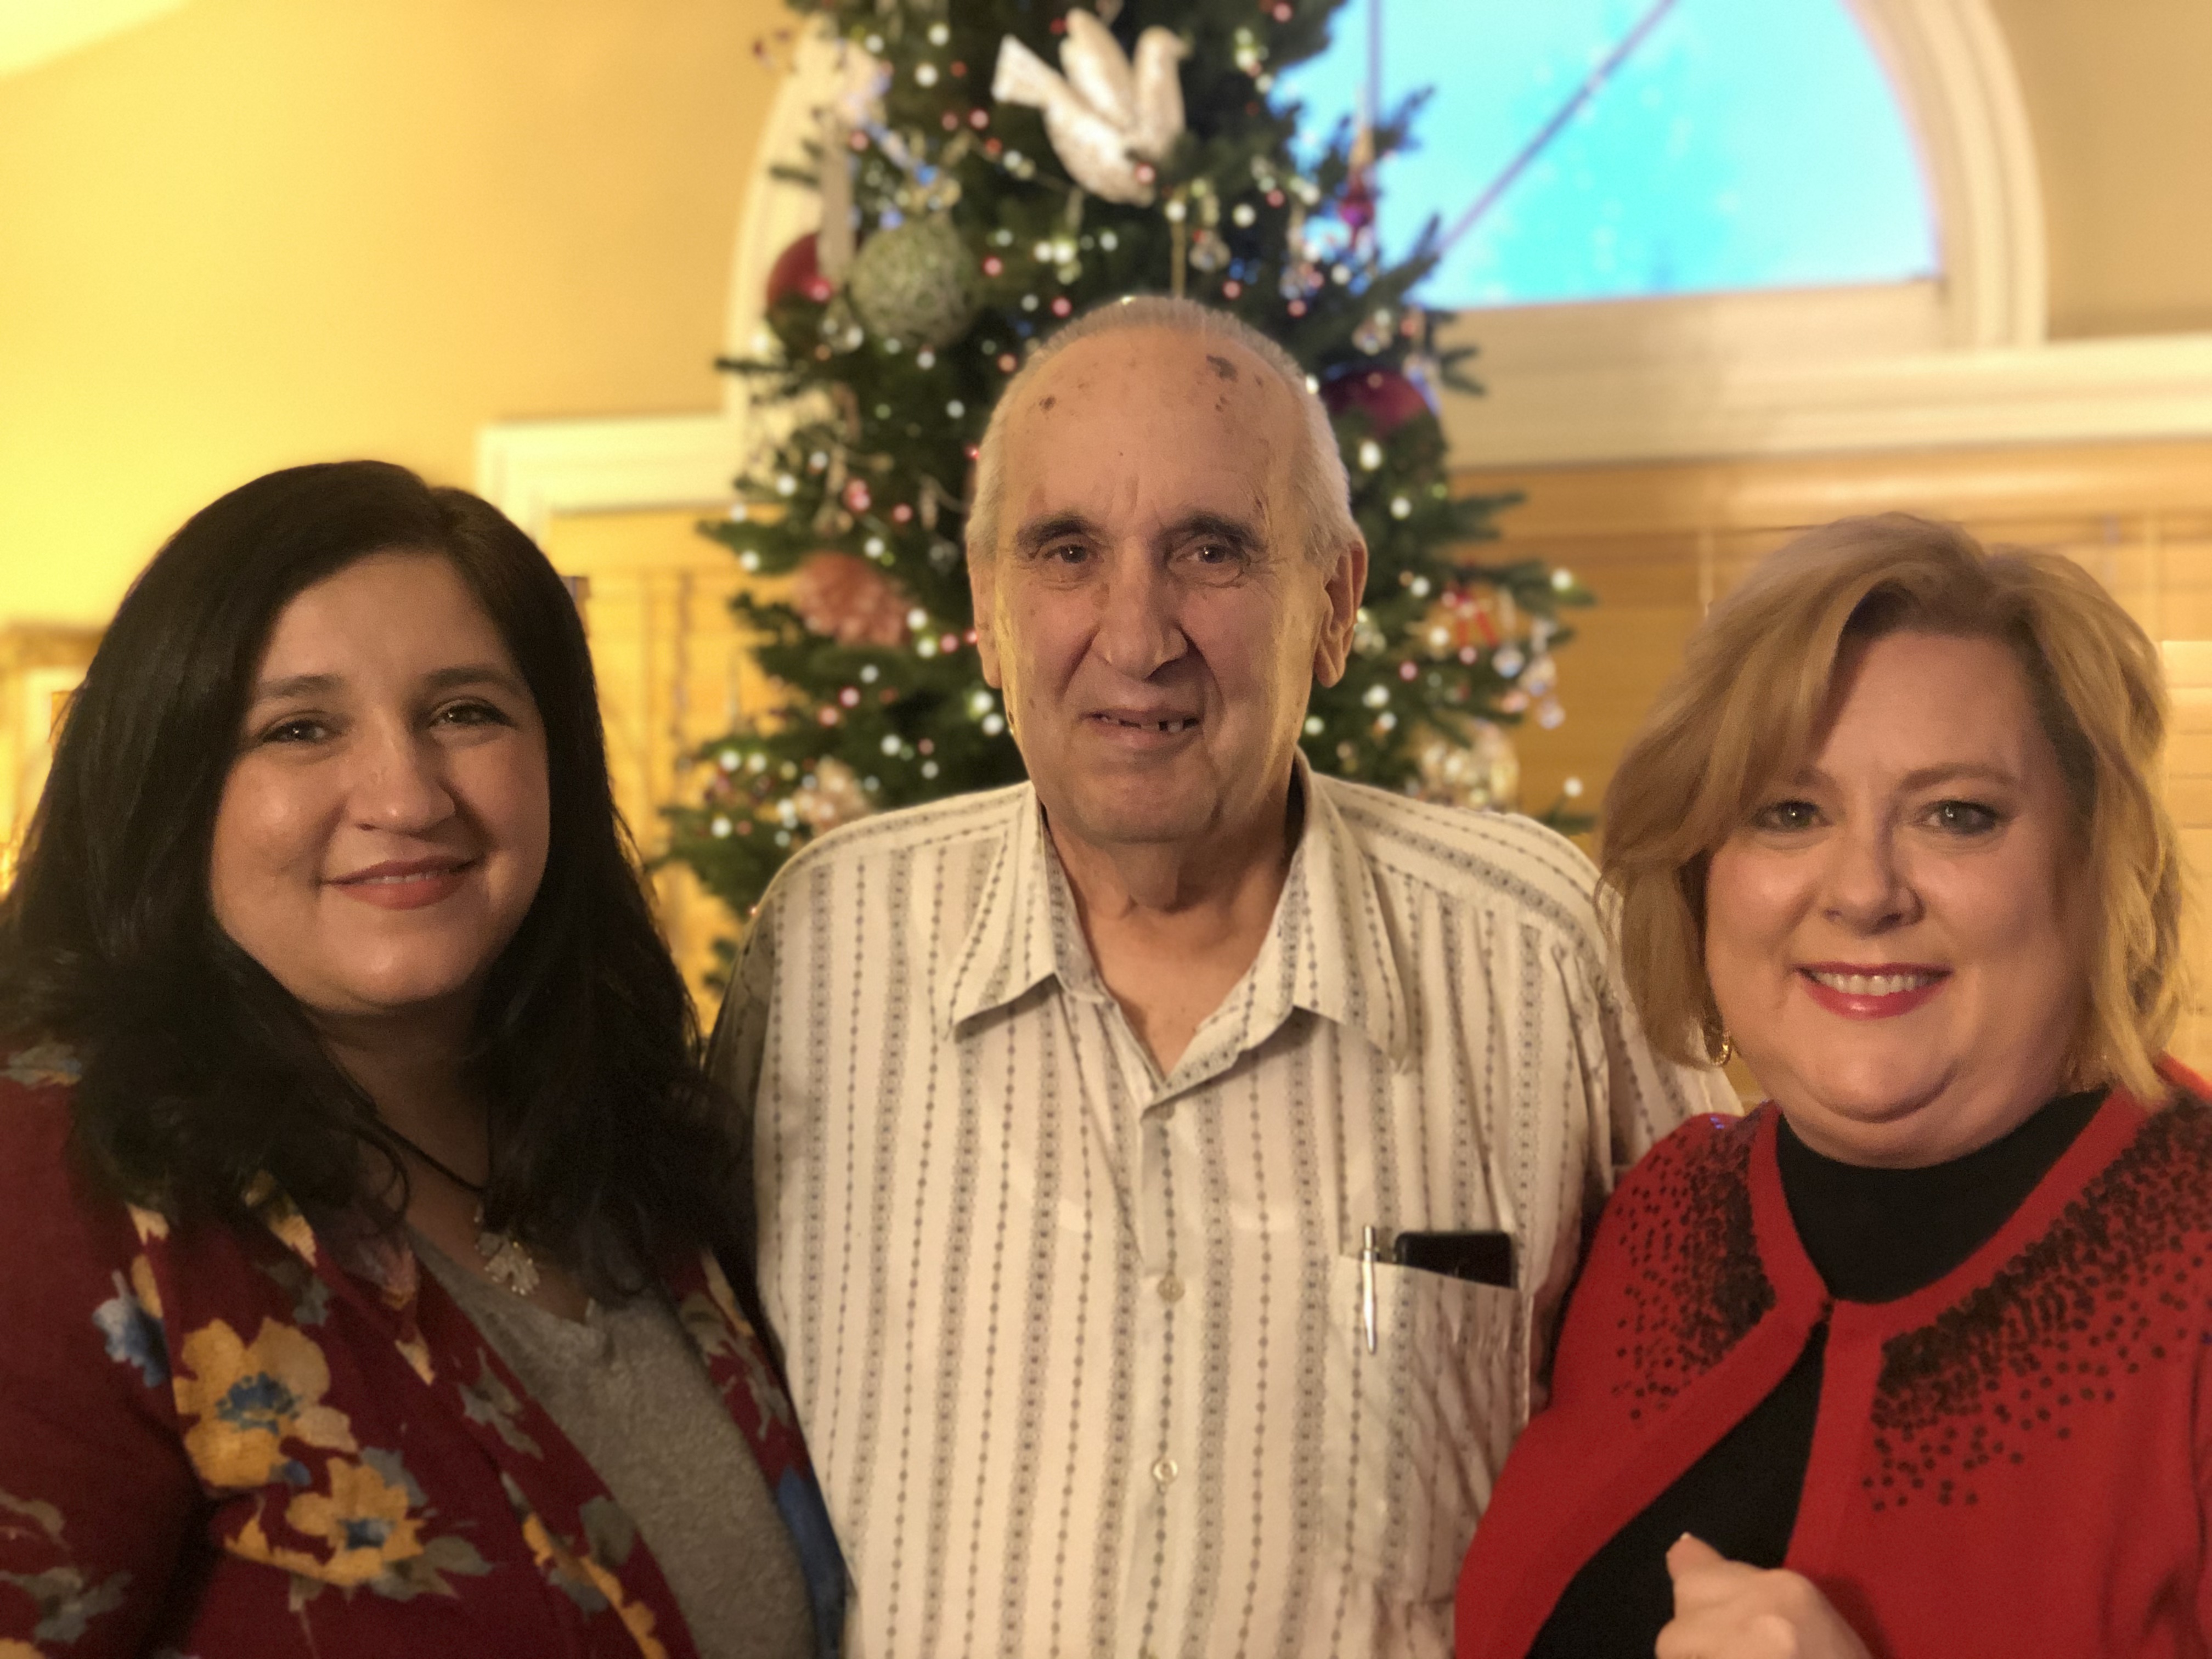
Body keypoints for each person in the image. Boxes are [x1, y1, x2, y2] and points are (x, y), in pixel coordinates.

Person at [711, 295, 1732, 1659]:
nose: (1136, 636)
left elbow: (1741, 1414)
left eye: (1212, 550)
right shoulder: (826, 944)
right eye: (1067, 551)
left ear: (1336, 601)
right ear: (986, 610)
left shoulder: (1546, 955)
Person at [0, 462, 843, 1658]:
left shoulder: (627, 1141)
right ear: (169, 787)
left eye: (466, 711)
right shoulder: (60, 1184)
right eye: (300, 728)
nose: (406, 793)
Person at [1455, 514, 2209, 1658]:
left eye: (1958, 814)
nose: (1863, 891)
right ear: (1705, 870)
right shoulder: (1670, 1210)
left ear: (2096, 863)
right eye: (1789, 812)